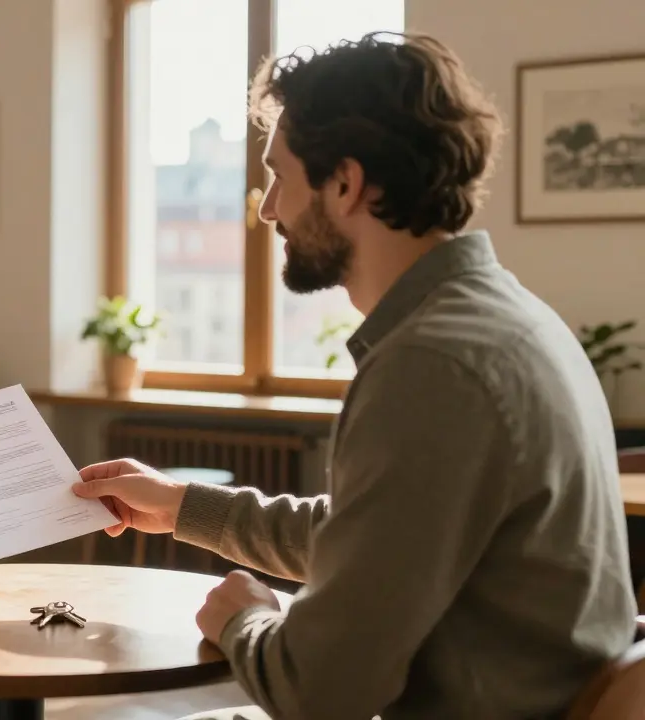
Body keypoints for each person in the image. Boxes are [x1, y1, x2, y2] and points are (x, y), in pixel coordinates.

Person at [73, 32, 638, 720]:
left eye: (279, 176)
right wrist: (178, 504)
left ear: (345, 182)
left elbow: (318, 690)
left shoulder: (433, 366)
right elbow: (373, 540)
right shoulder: (506, 318)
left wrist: (243, 618)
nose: (268, 208)